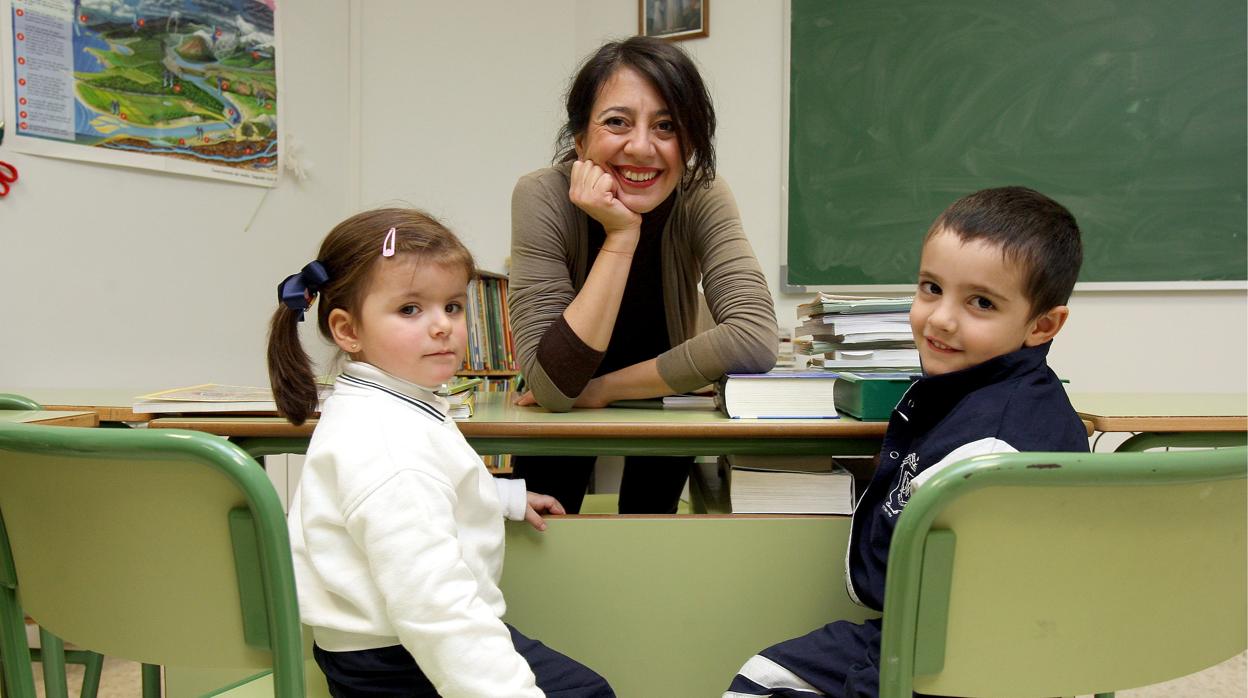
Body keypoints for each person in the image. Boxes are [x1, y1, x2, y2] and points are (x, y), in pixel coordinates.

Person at [724, 187, 1090, 698]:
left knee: (765, 685)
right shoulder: (988, 396)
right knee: (767, 671)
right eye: (930, 288)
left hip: (960, 661)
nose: (941, 318)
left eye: (980, 302)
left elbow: (962, 619)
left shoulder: (988, 459)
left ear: (1042, 324)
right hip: (938, 637)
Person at [267, 208, 614, 697]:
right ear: (348, 330)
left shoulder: (388, 402)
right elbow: (434, 604)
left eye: (452, 306)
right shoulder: (388, 443)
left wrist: (499, 498)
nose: (442, 326)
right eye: (410, 309)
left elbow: (424, 492)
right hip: (401, 653)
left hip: (376, 644)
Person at [508, 36, 778, 514]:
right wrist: (621, 235)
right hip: (562, 411)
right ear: (580, 139)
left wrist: (606, 389)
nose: (641, 147)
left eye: (666, 126)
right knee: (549, 525)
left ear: (689, 141)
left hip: (659, 397)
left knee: (651, 534)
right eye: (617, 122)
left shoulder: (702, 194)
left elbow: (754, 337)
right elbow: (552, 387)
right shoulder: (541, 196)